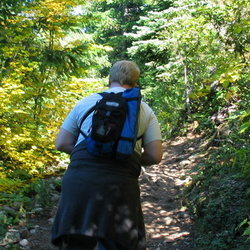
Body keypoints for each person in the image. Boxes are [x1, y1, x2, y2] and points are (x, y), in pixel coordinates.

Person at [51, 60, 163, 250]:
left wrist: (92, 152)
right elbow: (154, 156)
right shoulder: (145, 110)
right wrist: (122, 154)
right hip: (120, 185)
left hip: (80, 181)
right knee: (117, 242)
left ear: (109, 79)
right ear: (135, 82)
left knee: (76, 240)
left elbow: (62, 143)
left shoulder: (85, 103)